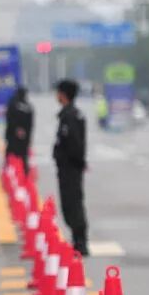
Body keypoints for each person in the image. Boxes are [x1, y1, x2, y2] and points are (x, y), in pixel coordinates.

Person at [53, 79, 89, 256]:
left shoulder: (70, 116)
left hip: (70, 168)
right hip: (71, 167)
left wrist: (76, 162)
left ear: (63, 94)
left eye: (58, 92)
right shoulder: (73, 114)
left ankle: (80, 243)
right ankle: (78, 241)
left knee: (72, 204)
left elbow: (73, 144)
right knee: (72, 203)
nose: (56, 96)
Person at [5, 86, 34, 172]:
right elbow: (31, 124)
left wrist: (15, 130)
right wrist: (27, 135)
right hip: (24, 136)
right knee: (24, 156)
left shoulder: (12, 104)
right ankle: (25, 172)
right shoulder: (28, 106)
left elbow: (9, 119)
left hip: (13, 135)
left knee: (10, 155)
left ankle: (8, 171)